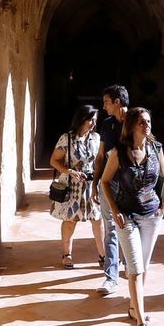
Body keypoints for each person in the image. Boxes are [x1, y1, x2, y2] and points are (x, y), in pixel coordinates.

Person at [101, 107, 164, 326]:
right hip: (126, 216)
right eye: (141, 122)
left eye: (148, 121)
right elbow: (105, 182)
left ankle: (132, 307)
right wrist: (115, 211)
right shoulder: (118, 152)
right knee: (135, 269)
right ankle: (141, 324)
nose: (146, 125)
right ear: (131, 125)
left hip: (151, 216)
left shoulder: (155, 148)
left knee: (143, 266)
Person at [49, 104, 105, 268]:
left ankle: (103, 256)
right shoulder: (66, 138)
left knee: (97, 219)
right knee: (70, 220)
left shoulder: (96, 138)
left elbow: (100, 160)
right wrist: (70, 171)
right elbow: (54, 160)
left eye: (95, 121)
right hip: (72, 187)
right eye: (91, 120)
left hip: (91, 186)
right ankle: (67, 255)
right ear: (82, 120)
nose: (93, 124)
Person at [92, 85, 128, 295]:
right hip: (108, 182)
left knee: (129, 227)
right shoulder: (107, 124)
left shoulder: (137, 119)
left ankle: (131, 269)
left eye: (106, 102)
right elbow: (100, 155)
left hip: (131, 186)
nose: (103, 106)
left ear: (117, 102)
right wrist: (96, 184)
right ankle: (111, 277)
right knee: (110, 230)